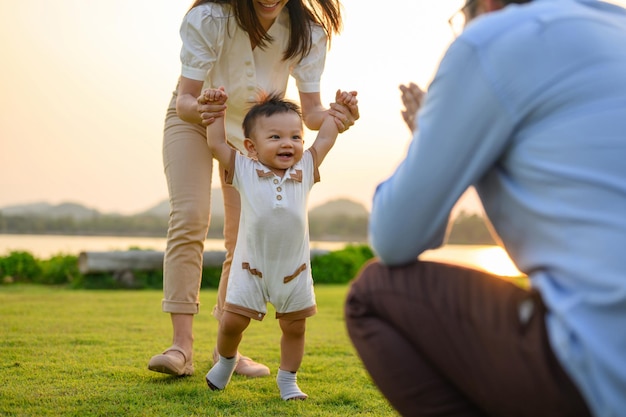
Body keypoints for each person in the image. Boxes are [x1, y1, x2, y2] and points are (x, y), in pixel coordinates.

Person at [344, 0, 626, 416]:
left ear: (487, 5)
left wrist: (428, 139)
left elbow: (395, 238)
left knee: (372, 294)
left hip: (603, 362)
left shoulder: (489, 40)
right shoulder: (615, 25)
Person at [148, 0, 359, 378]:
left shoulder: (307, 32)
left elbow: (310, 115)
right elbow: (184, 101)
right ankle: (181, 347)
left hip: (256, 135)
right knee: (191, 216)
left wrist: (335, 116)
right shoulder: (210, 18)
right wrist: (209, 108)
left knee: (242, 234)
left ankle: (224, 351)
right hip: (198, 118)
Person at [202, 88, 357, 400]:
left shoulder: (304, 170)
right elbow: (217, 144)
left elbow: (325, 139)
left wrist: (339, 109)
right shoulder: (245, 169)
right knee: (232, 321)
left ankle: (288, 380)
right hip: (250, 268)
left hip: (294, 270)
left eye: (295, 137)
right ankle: (227, 361)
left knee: (295, 328)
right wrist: (216, 110)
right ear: (251, 146)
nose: (288, 143)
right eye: (275, 137)